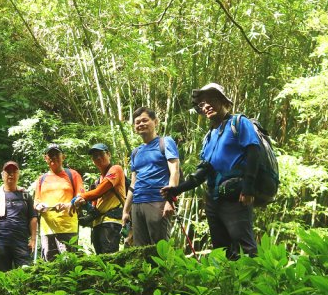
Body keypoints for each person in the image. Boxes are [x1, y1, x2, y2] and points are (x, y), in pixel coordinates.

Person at [161, 83, 259, 259]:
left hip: (236, 196)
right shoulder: (209, 136)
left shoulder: (238, 123)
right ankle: (227, 284)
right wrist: (177, 190)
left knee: (244, 245)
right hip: (214, 200)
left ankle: (253, 284)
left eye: (210, 100)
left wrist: (249, 187)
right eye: (202, 104)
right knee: (221, 249)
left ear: (223, 101)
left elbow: (254, 151)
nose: (206, 106)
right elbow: (203, 172)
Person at [122, 107, 180, 245]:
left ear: (155, 121)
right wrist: (125, 211)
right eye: (137, 122)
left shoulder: (165, 142)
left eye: (144, 120)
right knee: (140, 249)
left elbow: (174, 171)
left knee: (160, 248)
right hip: (137, 204)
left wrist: (170, 201)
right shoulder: (136, 152)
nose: (140, 124)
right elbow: (133, 184)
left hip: (157, 201)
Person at [70, 143, 126, 255]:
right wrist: (84, 204)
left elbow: (99, 192)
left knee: (109, 256)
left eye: (101, 154)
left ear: (108, 154)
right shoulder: (97, 181)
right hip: (98, 223)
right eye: (95, 156)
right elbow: (95, 206)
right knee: (100, 257)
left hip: (111, 221)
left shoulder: (116, 169)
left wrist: (80, 197)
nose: (98, 158)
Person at [34, 144, 84, 261]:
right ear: (45, 158)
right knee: (49, 264)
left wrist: (69, 205)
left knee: (69, 262)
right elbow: (36, 201)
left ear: (63, 157)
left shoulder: (73, 175)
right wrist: (39, 206)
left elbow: (81, 197)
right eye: (50, 155)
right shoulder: (41, 179)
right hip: (47, 229)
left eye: (56, 154)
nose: (53, 157)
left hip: (68, 227)